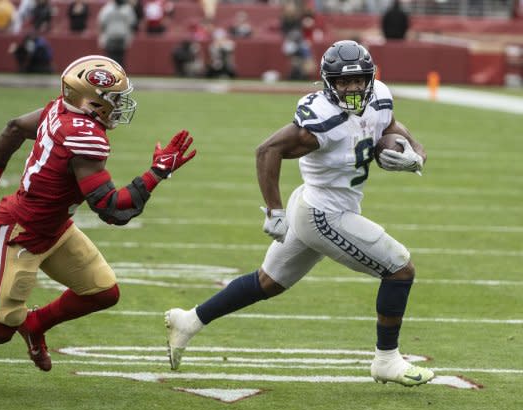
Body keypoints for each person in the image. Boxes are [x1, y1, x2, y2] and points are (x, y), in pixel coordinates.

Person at [166, 40, 434, 387]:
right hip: (322, 213)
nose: (353, 88)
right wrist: (274, 211)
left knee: (268, 282)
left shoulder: (379, 96)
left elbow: (392, 125)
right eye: (343, 82)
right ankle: (386, 359)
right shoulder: (323, 119)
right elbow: (267, 150)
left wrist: (417, 154)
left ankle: (189, 321)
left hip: (321, 205)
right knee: (399, 269)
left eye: (359, 81)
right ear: (328, 83)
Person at [0, 55, 196, 389]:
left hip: (55, 228)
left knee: (102, 292)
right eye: (114, 99)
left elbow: (15, 127)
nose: (121, 105)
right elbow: (113, 209)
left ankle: (36, 324)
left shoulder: (62, 108)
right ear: (91, 99)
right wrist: (157, 172)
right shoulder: (85, 137)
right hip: (21, 233)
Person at [98, 0, 137, 68]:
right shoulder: (108, 8)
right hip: (110, 37)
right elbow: (102, 22)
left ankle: (120, 75)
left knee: (120, 59)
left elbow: (132, 23)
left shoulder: (127, 9)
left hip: (122, 37)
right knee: (110, 59)